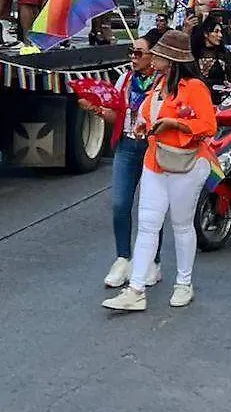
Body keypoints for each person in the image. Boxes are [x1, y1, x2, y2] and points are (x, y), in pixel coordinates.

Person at [103, 30, 217, 312]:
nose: (154, 58)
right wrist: (144, 125)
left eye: (160, 55)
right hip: (155, 160)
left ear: (172, 59)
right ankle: (136, 289)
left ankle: (184, 283)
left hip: (186, 163)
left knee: (181, 224)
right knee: (148, 224)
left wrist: (176, 125)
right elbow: (145, 114)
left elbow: (208, 126)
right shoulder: (158, 84)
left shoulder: (195, 88)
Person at [81, 37, 164, 290]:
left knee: (151, 210)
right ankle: (123, 258)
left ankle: (153, 262)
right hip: (127, 147)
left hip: (153, 149)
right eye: (131, 52)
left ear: (153, 56)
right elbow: (116, 115)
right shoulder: (125, 80)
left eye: (139, 53)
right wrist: (95, 110)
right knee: (120, 204)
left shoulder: (163, 84)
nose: (133, 57)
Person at [191, 18, 231, 104]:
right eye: (216, 31)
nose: (220, 35)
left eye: (220, 32)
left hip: (220, 101)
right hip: (198, 98)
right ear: (206, 34)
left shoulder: (225, 53)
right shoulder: (195, 52)